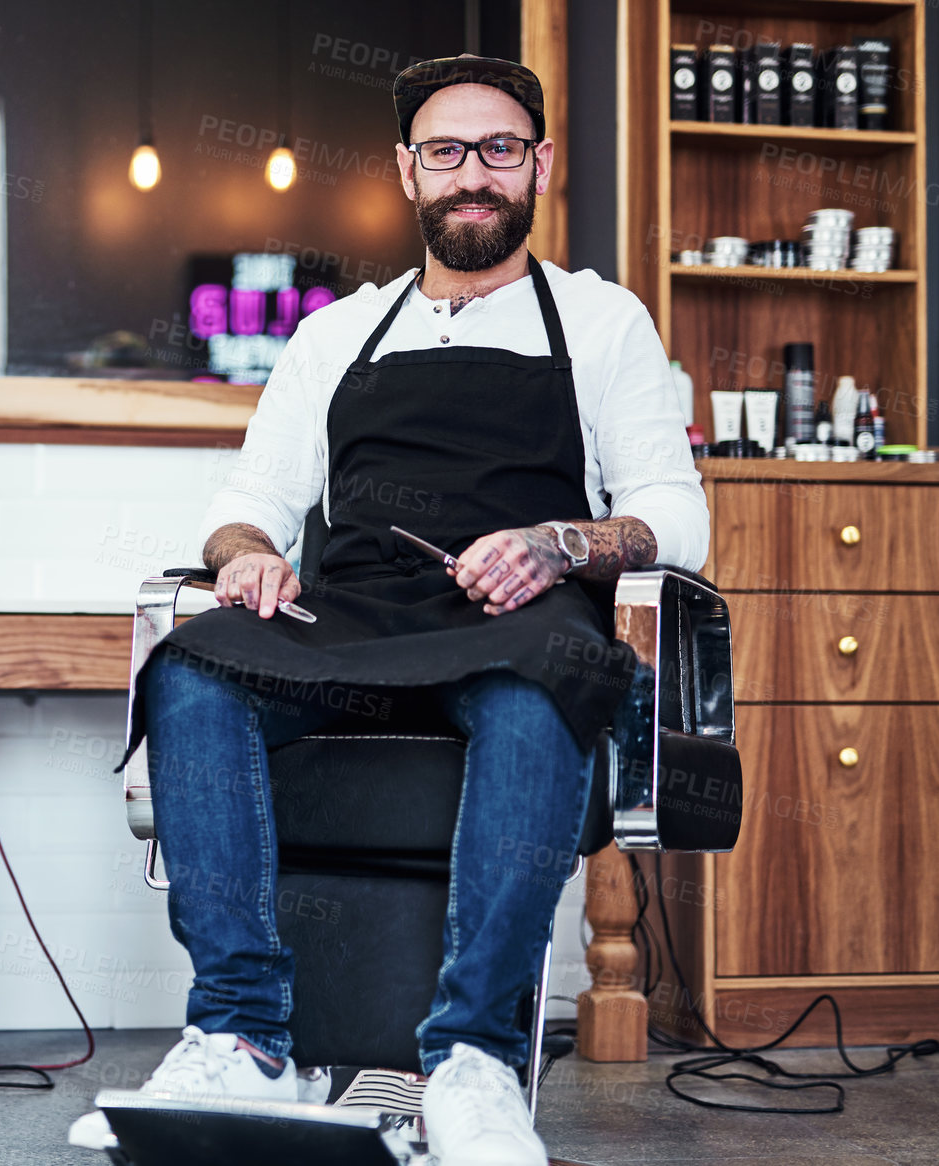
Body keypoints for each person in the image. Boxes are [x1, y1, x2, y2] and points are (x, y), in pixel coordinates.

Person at [71, 55, 706, 1166]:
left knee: (534, 684)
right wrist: (253, 558)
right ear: (407, 172)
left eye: (500, 149)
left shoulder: (603, 324)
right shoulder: (336, 335)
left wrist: (561, 541)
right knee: (191, 664)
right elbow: (245, 507)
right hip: (353, 616)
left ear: (540, 166)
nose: (475, 174)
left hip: (516, 622)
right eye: (448, 152)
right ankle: (241, 1034)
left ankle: (472, 1060)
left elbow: (673, 517)